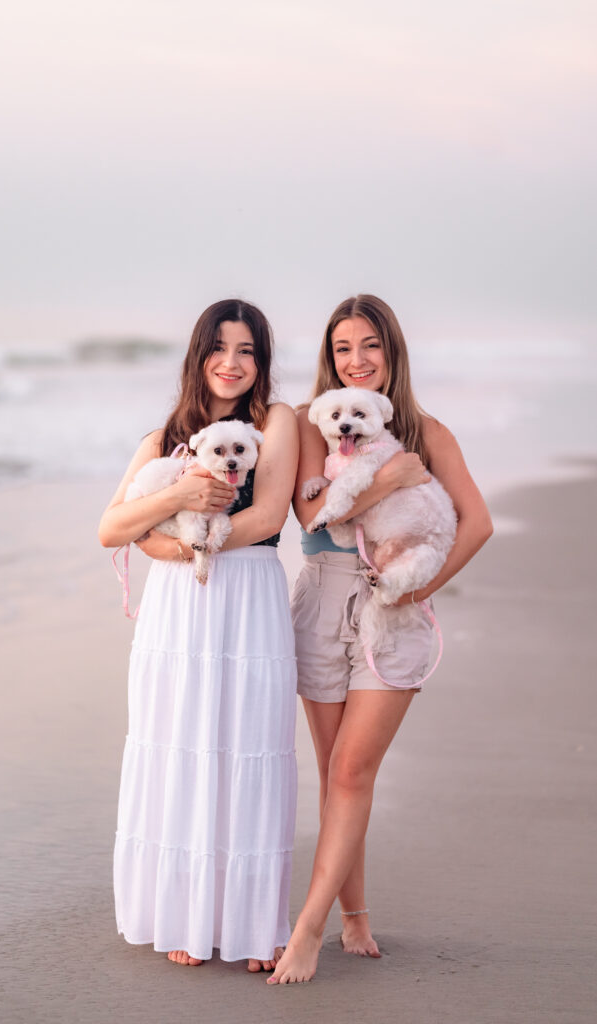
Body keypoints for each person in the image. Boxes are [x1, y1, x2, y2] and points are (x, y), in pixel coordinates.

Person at [268, 294, 493, 984]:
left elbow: (476, 522)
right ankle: (353, 916)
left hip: (391, 606)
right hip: (318, 599)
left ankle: (306, 931)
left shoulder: (427, 431)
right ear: (328, 359)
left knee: (350, 772)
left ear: (391, 353)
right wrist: (384, 481)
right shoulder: (313, 425)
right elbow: (308, 511)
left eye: (369, 345)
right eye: (342, 349)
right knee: (334, 770)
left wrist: (417, 589)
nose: (356, 360)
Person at [99, 299, 299, 972]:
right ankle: (180, 913)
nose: (231, 362)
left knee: (249, 746)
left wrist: (188, 547)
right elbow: (111, 528)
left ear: (261, 361)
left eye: (247, 350)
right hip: (180, 609)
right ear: (198, 355)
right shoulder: (166, 436)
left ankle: (251, 925)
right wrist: (176, 508)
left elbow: (269, 512)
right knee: (180, 745)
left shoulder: (278, 423)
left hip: (248, 596)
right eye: (219, 347)